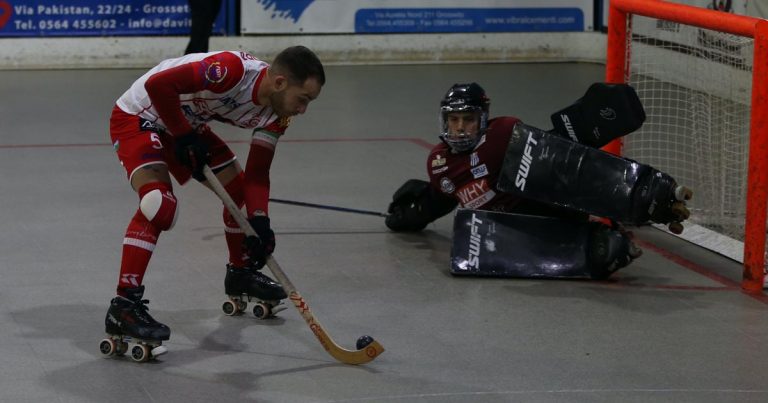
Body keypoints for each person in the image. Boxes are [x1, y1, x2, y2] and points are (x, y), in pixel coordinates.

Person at [102, 46, 325, 359]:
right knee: (160, 205)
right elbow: (159, 86)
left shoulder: (279, 116)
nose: (303, 110)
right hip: (143, 115)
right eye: (303, 99)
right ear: (279, 83)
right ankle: (124, 306)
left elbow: (258, 175)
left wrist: (260, 222)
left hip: (184, 122)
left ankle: (240, 273)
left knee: (241, 198)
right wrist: (183, 135)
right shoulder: (231, 71)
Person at [385, 82, 689, 279]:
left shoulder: (502, 134)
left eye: (468, 119)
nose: (461, 128)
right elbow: (440, 199)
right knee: (605, 252)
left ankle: (648, 199)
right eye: (454, 120)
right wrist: (410, 215)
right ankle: (602, 237)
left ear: (483, 119)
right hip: (506, 234)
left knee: (555, 178)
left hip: (544, 204)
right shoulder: (439, 164)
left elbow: (553, 155)